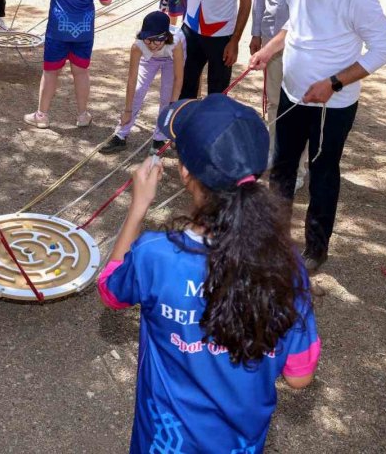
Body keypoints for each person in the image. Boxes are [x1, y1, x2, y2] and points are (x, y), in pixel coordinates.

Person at [98, 93, 319, 452]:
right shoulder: (286, 265)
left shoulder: (157, 254)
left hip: (164, 443)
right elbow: (299, 375)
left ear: (186, 173)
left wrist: (137, 209)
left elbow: (110, 291)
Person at [249, 0, 386, 271]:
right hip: (292, 92)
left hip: (332, 104)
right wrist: (269, 49)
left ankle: (316, 248)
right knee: (282, 165)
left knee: (322, 171)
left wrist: (334, 82)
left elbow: (384, 48)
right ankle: (274, 239)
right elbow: (292, 25)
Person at [251, 0, 347, 169]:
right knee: (274, 100)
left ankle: (301, 165)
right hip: (272, 33)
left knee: (303, 102)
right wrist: (256, 31)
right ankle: (274, 154)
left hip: (308, 39)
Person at [23, 0, 112, 129]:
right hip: (83, 31)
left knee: (50, 72)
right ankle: (82, 115)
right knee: (81, 73)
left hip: (57, 30)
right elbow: (106, 0)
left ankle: (42, 115)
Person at [100, 11, 184, 154]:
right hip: (150, 59)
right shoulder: (139, 46)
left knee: (166, 96)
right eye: (148, 40)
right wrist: (127, 110)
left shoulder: (176, 42)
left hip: (170, 59)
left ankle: (159, 138)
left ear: (165, 37)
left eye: (157, 40)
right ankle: (121, 135)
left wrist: (172, 107)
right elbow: (132, 80)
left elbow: (178, 78)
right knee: (138, 91)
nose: (152, 44)